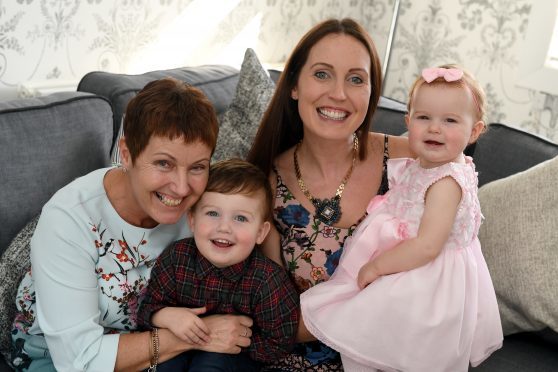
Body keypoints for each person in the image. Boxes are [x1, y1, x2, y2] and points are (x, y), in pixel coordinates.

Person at [10, 78, 254, 372]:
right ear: (126, 154)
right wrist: (197, 336)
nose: (180, 187)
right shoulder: (69, 219)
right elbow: (79, 361)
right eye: (164, 163)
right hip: (58, 359)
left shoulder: (206, 209)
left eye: (197, 167)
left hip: (153, 353)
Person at [300, 65, 504, 371]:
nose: (435, 128)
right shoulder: (428, 165)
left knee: (385, 336)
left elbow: (426, 247)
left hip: (423, 277)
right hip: (407, 261)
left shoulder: (447, 182)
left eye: (450, 120)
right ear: (408, 122)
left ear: (474, 131)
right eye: (424, 118)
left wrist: (378, 266)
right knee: (366, 325)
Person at [247, 18, 412, 370]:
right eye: (322, 74)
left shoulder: (407, 161)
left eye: (356, 79)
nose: (338, 93)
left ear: (372, 93)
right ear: (294, 86)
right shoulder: (267, 183)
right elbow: (275, 314)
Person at [137, 159, 300, 371]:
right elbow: (146, 311)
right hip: (176, 346)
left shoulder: (267, 280)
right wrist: (165, 315)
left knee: (211, 364)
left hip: (232, 356)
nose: (224, 227)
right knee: (163, 365)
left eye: (240, 218)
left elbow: (280, 341)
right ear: (192, 221)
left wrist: (237, 342)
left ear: (260, 232)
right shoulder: (176, 259)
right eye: (212, 213)